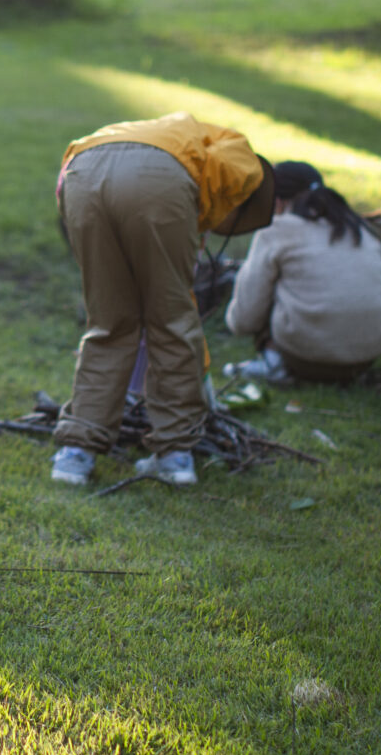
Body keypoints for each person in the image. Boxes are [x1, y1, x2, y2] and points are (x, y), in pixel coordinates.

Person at [50, 112, 275, 487]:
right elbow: (241, 174)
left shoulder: (175, 132)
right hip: (157, 183)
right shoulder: (233, 147)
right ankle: (174, 456)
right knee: (171, 321)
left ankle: (75, 455)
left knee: (108, 323)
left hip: (81, 175)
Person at [224, 161, 381, 385]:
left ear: (277, 200)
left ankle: (274, 363)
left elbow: (245, 318)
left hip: (306, 357)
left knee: (270, 286)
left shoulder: (277, 230)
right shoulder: (361, 228)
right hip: (368, 356)